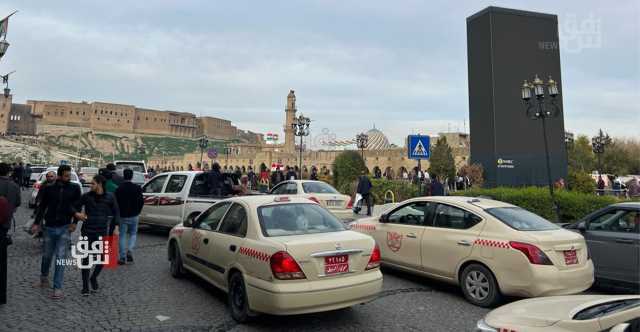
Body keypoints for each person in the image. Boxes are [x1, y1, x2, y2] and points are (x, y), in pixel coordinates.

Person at [31, 165, 82, 300]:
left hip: (65, 227)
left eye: (69, 175)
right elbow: (42, 207)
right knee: (47, 255)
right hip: (49, 226)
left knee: (60, 258)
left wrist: (74, 223)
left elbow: (78, 207)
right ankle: (43, 278)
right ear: (59, 175)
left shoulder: (74, 188)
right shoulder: (49, 189)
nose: (69, 177)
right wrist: (37, 223)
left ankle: (57, 288)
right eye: (66, 175)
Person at [74, 175, 119, 296]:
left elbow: (116, 212)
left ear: (99, 184)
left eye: (93, 183)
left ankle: (93, 278)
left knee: (103, 258)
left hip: (102, 231)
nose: (90, 186)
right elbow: (75, 207)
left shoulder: (110, 197)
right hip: (87, 231)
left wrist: (116, 227)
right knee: (87, 259)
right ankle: (85, 287)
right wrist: (77, 216)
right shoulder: (86, 196)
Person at [0, 163, 21, 305]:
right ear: (8, 173)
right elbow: (18, 203)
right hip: (3, 228)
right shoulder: (14, 186)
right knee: (2, 264)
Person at [115, 169, 144, 265]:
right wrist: (138, 211)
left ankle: (122, 257)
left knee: (122, 235)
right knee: (133, 234)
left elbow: (116, 203)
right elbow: (141, 202)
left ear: (124, 176)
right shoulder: (137, 188)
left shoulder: (119, 189)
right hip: (134, 214)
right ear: (132, 176)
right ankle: (130, 251)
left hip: (123, 215)